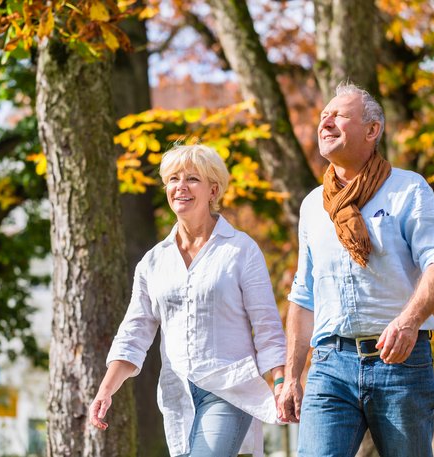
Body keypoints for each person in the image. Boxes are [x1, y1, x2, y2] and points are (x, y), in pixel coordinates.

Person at [277, 82, 434, 457]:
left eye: (339, 116)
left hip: (401, 362)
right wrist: (292, 377)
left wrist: (409, 321)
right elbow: (303, 293)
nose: (325, 122)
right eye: (323, 116)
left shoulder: (409, 189)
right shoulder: (313, 205)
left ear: (373, 130)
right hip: (330, 364)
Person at [89, 144, 286, 457]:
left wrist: (280, 382)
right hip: (177, 394)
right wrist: (106, 389)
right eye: (173, 179)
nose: (180, 186)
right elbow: (134, 332)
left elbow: (266, 326)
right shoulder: (153, 262)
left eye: (192, 178)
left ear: (213, 189)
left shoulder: (240, 250)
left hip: (228, 389)